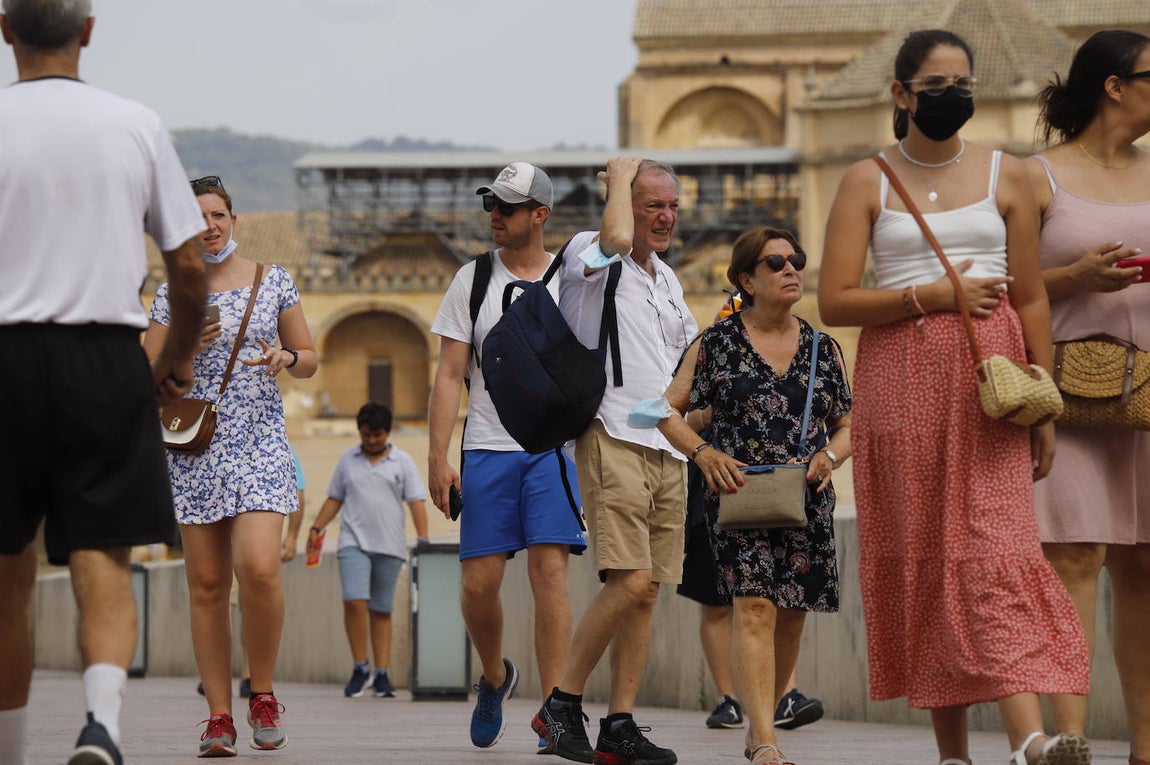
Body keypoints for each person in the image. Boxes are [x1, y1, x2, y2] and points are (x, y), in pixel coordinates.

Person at [818, 28, 1091, 765]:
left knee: (995, 547)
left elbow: (1031, 295)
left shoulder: (1011, 174)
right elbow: (836, 299)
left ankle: (1028, 738)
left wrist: (1046, 402)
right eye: (938, 85)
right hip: (898, 381)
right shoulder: (864, 180)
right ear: (902, 95)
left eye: (962, 83)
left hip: (990, 381)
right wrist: (929, 294)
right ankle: (952, 754)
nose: (954, 96)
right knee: (923, 550)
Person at [0, 2, 206, 764]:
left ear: (3, 29)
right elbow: (188, 266)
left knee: (6, 580)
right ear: (88, 32)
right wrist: (175, 358)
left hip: (4, 355)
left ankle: (10, 749)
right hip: (104, 355)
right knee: (102, 559)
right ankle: (100, 726)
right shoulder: (135, 123)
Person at [658, 226, 852, 765]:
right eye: (776, 263)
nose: (791, 270)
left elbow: (848, 425)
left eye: (797, 260)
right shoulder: (715, 344)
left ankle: (760, 723)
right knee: (754, 608)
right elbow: (662, 410)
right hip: (737, 495)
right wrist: (703, 453)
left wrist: (830, 456)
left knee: (791, 614)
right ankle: (765, 739)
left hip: (806, 500)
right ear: (746, 278)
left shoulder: (823, 347)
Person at [143, 175, 317, 757]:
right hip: (196, 446)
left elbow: (310, 358)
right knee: (208, 584)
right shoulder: (172, 296)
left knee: (260, 567)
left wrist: (286, 356)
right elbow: (150, 376)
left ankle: (261, 692)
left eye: (217, 215)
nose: (210, 226)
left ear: (233, 220)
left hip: (261, 439)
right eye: (197, 218)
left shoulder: (276, 281)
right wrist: (185, 347)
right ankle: (219, 716)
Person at [533, 157, 698, 765]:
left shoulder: (669, 280)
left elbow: (688, 357)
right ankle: (561, 703)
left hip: (665, 444)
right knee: (627, 578)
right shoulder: (588, 255)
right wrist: (620, 175)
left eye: (673, 206)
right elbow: (618, 239)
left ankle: (620, 725)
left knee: (647, 590)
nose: (666, 217)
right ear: (626, 203)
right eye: (654, 203)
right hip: (613, 434)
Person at [427, 162, 588, 750]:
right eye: (491, 205)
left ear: (539, 215)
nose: (495, 215)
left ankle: (555, 715)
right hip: (487, 449)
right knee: (478, 584)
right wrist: (437, 457)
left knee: (550, 573)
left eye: (508, 207)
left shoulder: (572, 281)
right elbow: (448, 376)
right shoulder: (471, 282)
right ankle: (494, 677)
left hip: (552, 449)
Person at [1027, 29, 1150, 765]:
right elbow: (1005, 292)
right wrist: (1075, 278)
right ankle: (1070, 739)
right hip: (1069, 394)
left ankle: (1145, 748)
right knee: (1075, 557)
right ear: (1114, 85)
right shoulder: (1035, 177)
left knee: (1147, 566)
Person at [677, 296, 826, 735]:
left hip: (781, 487)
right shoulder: (713, 342)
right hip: (719, 484)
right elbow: (683, 415)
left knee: (775, 601)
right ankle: (729, 698)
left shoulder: (807, 344)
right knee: (718, 601)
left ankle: (782, 697)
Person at [307, 403, 429, 699]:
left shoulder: (402, 461)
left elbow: (416, 501)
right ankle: (360, 667)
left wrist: (424, 540)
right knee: (354, 601)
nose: (371, 440)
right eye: (366, 435)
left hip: (390, 545)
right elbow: (335, 498)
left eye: (377, 435)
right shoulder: (348, 459)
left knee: (381, 610)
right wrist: (316, 528)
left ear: (387, 433)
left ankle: (382, 673)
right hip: (353, 542)